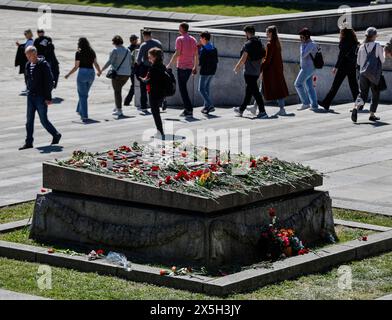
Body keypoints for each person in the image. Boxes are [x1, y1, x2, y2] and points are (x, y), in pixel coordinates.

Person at [19, 46, 61, 150]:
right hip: (30, 97)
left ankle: (56, 134)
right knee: (29, 121)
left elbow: (49, 82)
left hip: (40, 97)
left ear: (35, 54)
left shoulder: (43, 64)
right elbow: (27, 78)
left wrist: (48, 97)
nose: (28, 57)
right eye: (26, 55)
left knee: (43, 120)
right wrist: (28, 88)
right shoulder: (28, 65)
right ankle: (29, 142)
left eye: (29, 55)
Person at [319, 28, 359, 111]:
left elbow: (340, 56)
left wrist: (336, 67)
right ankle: (359, 104)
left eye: (341, 32)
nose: (340, 34)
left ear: (344, 33)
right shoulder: (354, 41)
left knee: (335, 85)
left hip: (343, 66)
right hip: (352, 66)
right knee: (354, 86)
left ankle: (326, 103)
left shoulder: (343, 42)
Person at [233, 25, 268, 119]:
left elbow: (243, 58)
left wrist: (237, 67)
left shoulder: (248, 44)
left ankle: (262, 111)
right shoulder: (259, 42)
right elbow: (264, 56)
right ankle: (241, 110)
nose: (245, 35)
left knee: (255, 92)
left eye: (245, 33)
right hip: (256, 71)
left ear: (248, 33)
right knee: (249, 92)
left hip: (249, 72)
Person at [351, 27, 385, 123]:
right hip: (374, 74)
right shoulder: (377, 46)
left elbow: (358, 62)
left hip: (363, 74)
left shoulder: (361, 47)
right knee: (375, 94)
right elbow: (382, 60)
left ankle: (356, 108)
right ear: (374, 36)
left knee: (362, 93)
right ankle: (372, 114)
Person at [64, 37, 102, 122]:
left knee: (83, 95)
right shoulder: (92, 51)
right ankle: (79, 110)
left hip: (82, 73)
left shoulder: (78, 52)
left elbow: (76, 67)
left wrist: (68, 74)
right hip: (91, 74)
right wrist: (99, 71)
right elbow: (95, 63)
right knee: (84, 94)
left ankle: (84, 115)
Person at [167, 22, 198, 118]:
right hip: (189, 67)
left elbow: (177, 53)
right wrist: (195, 66)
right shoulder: (193, 39)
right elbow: (196, 54)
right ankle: (188, 109)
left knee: (182, 89)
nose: (178, 29)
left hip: (181, 67)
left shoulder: (179, 39)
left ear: (182, 29)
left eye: (179, 27)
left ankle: (188, 109)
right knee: (183, 88)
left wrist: (169, 64)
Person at [260, 25, 289, 116]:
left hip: (271, 71)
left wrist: (260, 68)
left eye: (267, 32)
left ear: (271, 33)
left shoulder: (270, 44)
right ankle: (255, 106)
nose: (266, 34)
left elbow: (267, 59)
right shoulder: (277, 42)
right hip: (277, 70)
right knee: (274, 88)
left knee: (263, 89)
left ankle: (281, 109)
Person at [102, 35, 133, 117]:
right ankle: (116, 107)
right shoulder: (128, 50)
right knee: (118, 90)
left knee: (117, 91)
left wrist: (102, 70)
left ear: (114, 43)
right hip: (127, 74)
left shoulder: (115, 50)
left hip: (118, 74)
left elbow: (110, 62)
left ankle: (119, 110)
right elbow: (131, 62)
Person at [141, 48, 167, 137]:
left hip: (154, 92)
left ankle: (160, 132)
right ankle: (160, 131)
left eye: (150, 57)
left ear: (155, 57)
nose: (149, 59)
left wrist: (143, 80)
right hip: (161, 92)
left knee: (155, 113)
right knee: (156, 113)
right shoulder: (162, 66)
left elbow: (150, 81)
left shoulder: (153, 68)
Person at [135, 30, 162, 112]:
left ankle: (144, 105)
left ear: (144, 36)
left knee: (143, 87)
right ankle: (159, 103)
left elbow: (138, 60)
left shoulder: (144, 45)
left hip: (146, 68)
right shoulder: (158, 43)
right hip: (157, 67)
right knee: (156, 86)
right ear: (151, 35)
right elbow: (162, 56)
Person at [294, 28, 319, 111]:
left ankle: (305, 103)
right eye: (300, 37)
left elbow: (303, 55)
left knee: (297, 84)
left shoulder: (311, 44)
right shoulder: (307, 44)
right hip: (307, 67)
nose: (300, 39)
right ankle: (314, 105)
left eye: (302, 37)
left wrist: (303, 45)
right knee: (309, 86)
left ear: (306, 36)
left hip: (307, 68)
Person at [198, 31, 218, 115]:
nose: (200, 40)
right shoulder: (213, 47)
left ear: (204, 39)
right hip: (212, 71)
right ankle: (206, 106)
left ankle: (210, 104)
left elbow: (200, 62)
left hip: (205, 71)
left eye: (201, 38)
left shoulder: (204, 49)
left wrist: (198, 51)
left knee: (201, 89)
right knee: (206, 88)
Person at [15, 29, 34, 94]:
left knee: (27, 74)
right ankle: (28, 87)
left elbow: (28, 50)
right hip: (27, 60)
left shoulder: (31, 42)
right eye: (24, 34)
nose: (25, 35)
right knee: (26, 74)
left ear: (29, 34)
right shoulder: (28, 41)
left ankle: (29, 88)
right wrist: (19, 45)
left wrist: (20, 46)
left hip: (28, 60)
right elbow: (24, 47)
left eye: (26, 34)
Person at [124, 34, 140, 107]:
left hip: (133, 69)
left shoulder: (136, 46)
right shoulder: (129, 49)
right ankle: (127, 101)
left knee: (134, 85)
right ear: (132, 41)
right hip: (132, 70)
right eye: (136, 39)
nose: (137, 40)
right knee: (134, 85)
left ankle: (127, 101)